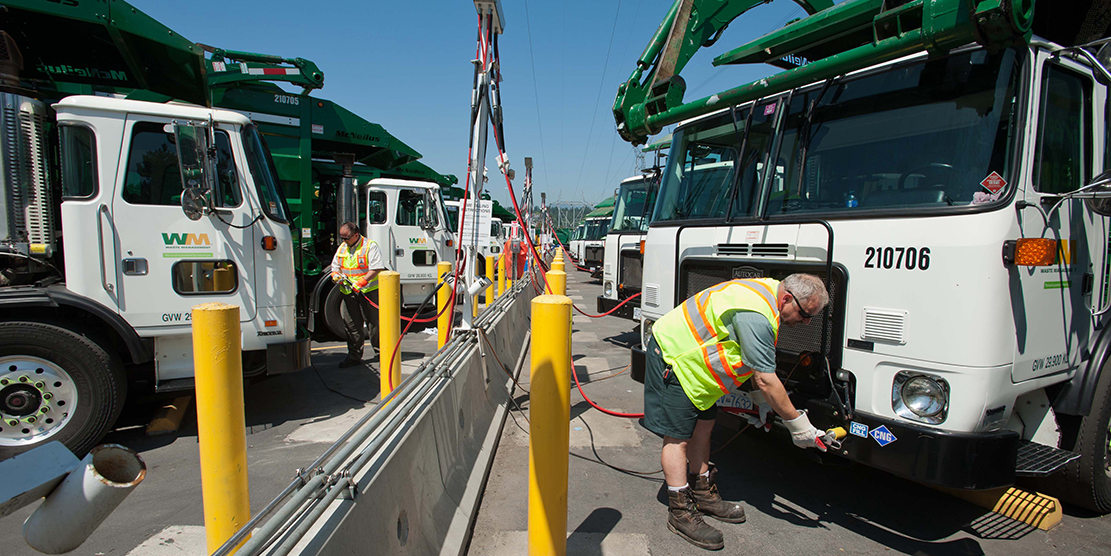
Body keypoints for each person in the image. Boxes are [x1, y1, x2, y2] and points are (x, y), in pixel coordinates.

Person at [642, 273, 830, 551]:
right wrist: (799, 426)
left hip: (699, 371)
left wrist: (762, 403)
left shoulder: (769, 294)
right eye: (805, 314)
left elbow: (755, 360)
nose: (806, 322)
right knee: (677, 437)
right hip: (675, 357)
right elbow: (766, 378)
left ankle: (702, 491)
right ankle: (680, 511)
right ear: (788, 298)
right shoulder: (756, 314)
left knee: (704, 426)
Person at [331, 222, 386, 368]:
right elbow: (335, 266)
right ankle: (354, 356)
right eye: (341, 237)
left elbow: (376, 268)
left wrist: (361, 282)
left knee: (374, 323)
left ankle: (381, 354)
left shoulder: (370, 246)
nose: (343, 241)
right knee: (351, 325)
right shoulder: (343, 247)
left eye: (346, 237)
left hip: (368, 291)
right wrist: (336, 276)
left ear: (356, 235)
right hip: (348, 292)